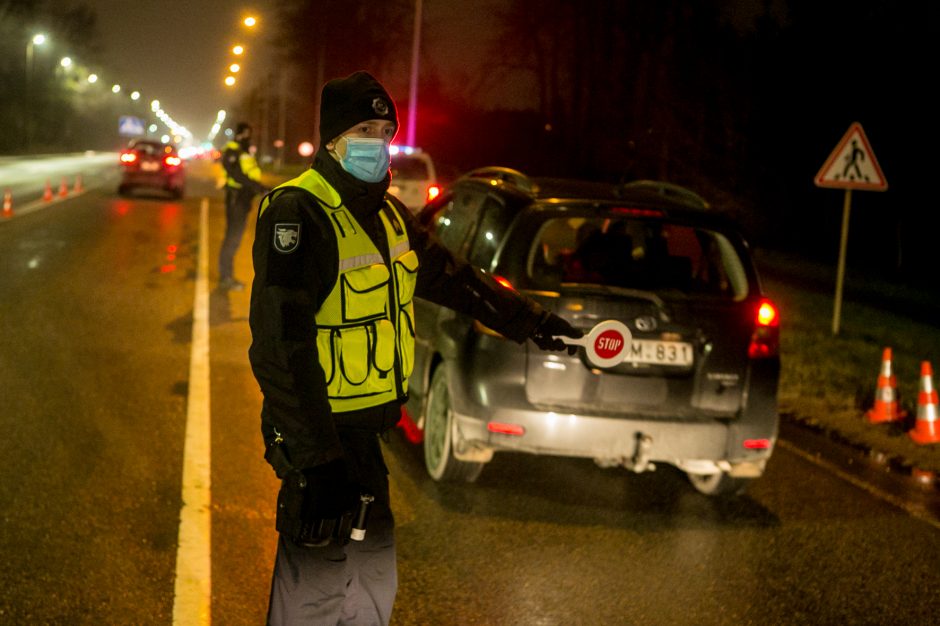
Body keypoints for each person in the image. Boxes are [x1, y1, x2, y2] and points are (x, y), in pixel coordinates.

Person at [248, 70, 581, 625]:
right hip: (322, 441)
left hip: (366, 438)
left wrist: (533, 322)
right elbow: (280, 346)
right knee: (315, 596)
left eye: (384, 129)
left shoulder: (388, 216)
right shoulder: (298, 212)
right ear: (332, 139)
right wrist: (317, 460)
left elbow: (456, 279)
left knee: (372, 587)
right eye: (364, 128)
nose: (377, 142)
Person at [219, 121, 268, 291]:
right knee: (232, 238)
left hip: (243, 199)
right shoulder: (232, 150)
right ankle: (226, 277)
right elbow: (237, 174)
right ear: (240, 134)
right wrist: (258, 187)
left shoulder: (244, 150)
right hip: (236, 199)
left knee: (235, 238)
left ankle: (227, 276)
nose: (249, 137)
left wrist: (258, 188)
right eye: (247, 134)